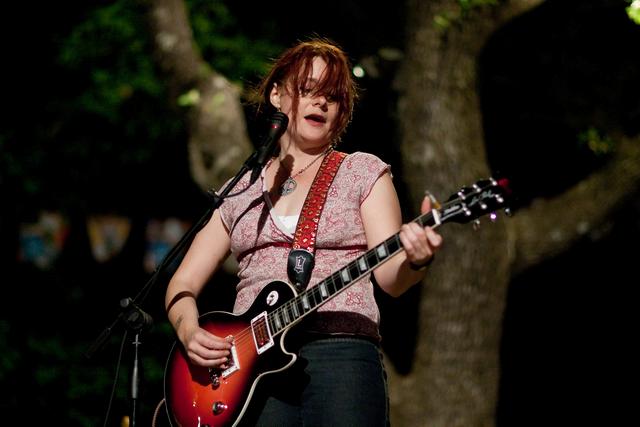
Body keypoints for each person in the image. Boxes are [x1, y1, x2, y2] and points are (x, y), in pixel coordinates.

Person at [164, 37, 443, 426]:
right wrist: (189, 330)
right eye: (308, 90)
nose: (321, 102)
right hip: (248, 372)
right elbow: (182, 284)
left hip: (342, 354)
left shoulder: (362, 172)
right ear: (277, 96)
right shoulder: (239, 190)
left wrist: (417, 258)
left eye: (332, 96)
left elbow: (392, 280)